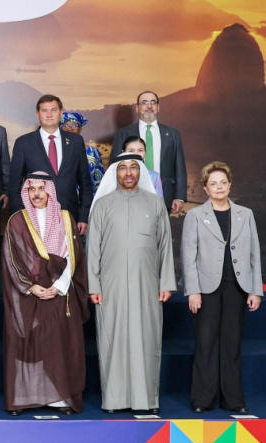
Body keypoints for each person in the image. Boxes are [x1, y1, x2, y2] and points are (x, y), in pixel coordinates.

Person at [86, 154, 175, 414]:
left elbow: (165, 245)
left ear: (140, 172)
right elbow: (92, 249)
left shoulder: (155, 203)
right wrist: (94, 286)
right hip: (109, 286)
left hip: (148, 285)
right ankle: (114, 400)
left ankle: (146, 401)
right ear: (115, 172)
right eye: (123, 168)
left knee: (145, 339)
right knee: (112, 340)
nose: (128, 173)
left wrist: (166, 283)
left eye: (134, 168)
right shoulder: (102, 205)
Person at [1, 173, 89, 416]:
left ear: (50, 191)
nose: (37, 194)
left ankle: (59, 398)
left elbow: (74, 256)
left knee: (57, 344)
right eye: (32, 189)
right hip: (28, 293)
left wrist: (60, 286)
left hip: (59, 292)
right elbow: (10, 258)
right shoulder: (17, 220)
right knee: (26, 341)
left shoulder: (65, 218)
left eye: (41, 188)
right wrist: (30, 286)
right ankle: (24, 398)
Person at [181, 161, 261, 414]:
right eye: (213, 183)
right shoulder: (195, 215)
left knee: (232, 342)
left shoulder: (245, 214)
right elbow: (188, 256)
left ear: (230, 185)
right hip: (206, 289)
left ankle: (233, 399)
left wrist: (255, 290)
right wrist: (193, 291)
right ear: (205, 188)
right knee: (205, 342)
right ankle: (202, 399)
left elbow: (254, 254)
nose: (219, 187)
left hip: (237, 286)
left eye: (223, 183)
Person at [8, 94, 93, 232]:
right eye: (44, 110)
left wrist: (83, 216)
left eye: (53, 110)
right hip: (35, 218)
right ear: (37, 114)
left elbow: (85, 183)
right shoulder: (23, 143)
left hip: (69, 216)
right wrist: (19, 219)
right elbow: (14, 187)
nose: (49, 115)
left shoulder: (76, 142)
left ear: (61, 112)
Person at [112, 90, 188, 215]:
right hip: (130, 196)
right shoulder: (123, 133)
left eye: (153, 102)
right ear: (137, 108)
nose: (149, 106)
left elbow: (179, 166)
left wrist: (179, 197)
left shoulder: (172, 133)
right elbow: (114, 167)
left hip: (164, 196)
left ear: (158, 107)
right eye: (144, 102)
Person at [59, 111, 104, 194]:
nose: (70, 129)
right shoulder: (56, 150)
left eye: (74, 126)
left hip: (88, 196)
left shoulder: (92, 151)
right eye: (65, 126)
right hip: (63, 197)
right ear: (60, 129)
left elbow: (99, 179)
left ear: (80, 129)